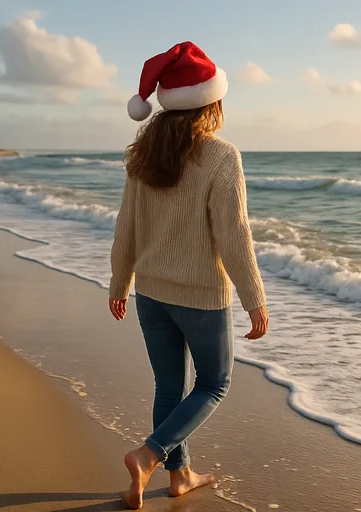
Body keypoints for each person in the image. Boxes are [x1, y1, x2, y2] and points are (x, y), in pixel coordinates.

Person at [108, 41, 269, 509]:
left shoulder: (142, 155)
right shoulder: (222, 155)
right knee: (214, 383)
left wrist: (120, 283)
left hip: (150, 294)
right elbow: (234, 235)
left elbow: (126, 226)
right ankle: (148, 456)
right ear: (211, 103)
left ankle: (179, 477)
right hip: (201, 296)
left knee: (168, 388)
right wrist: (254, 297)